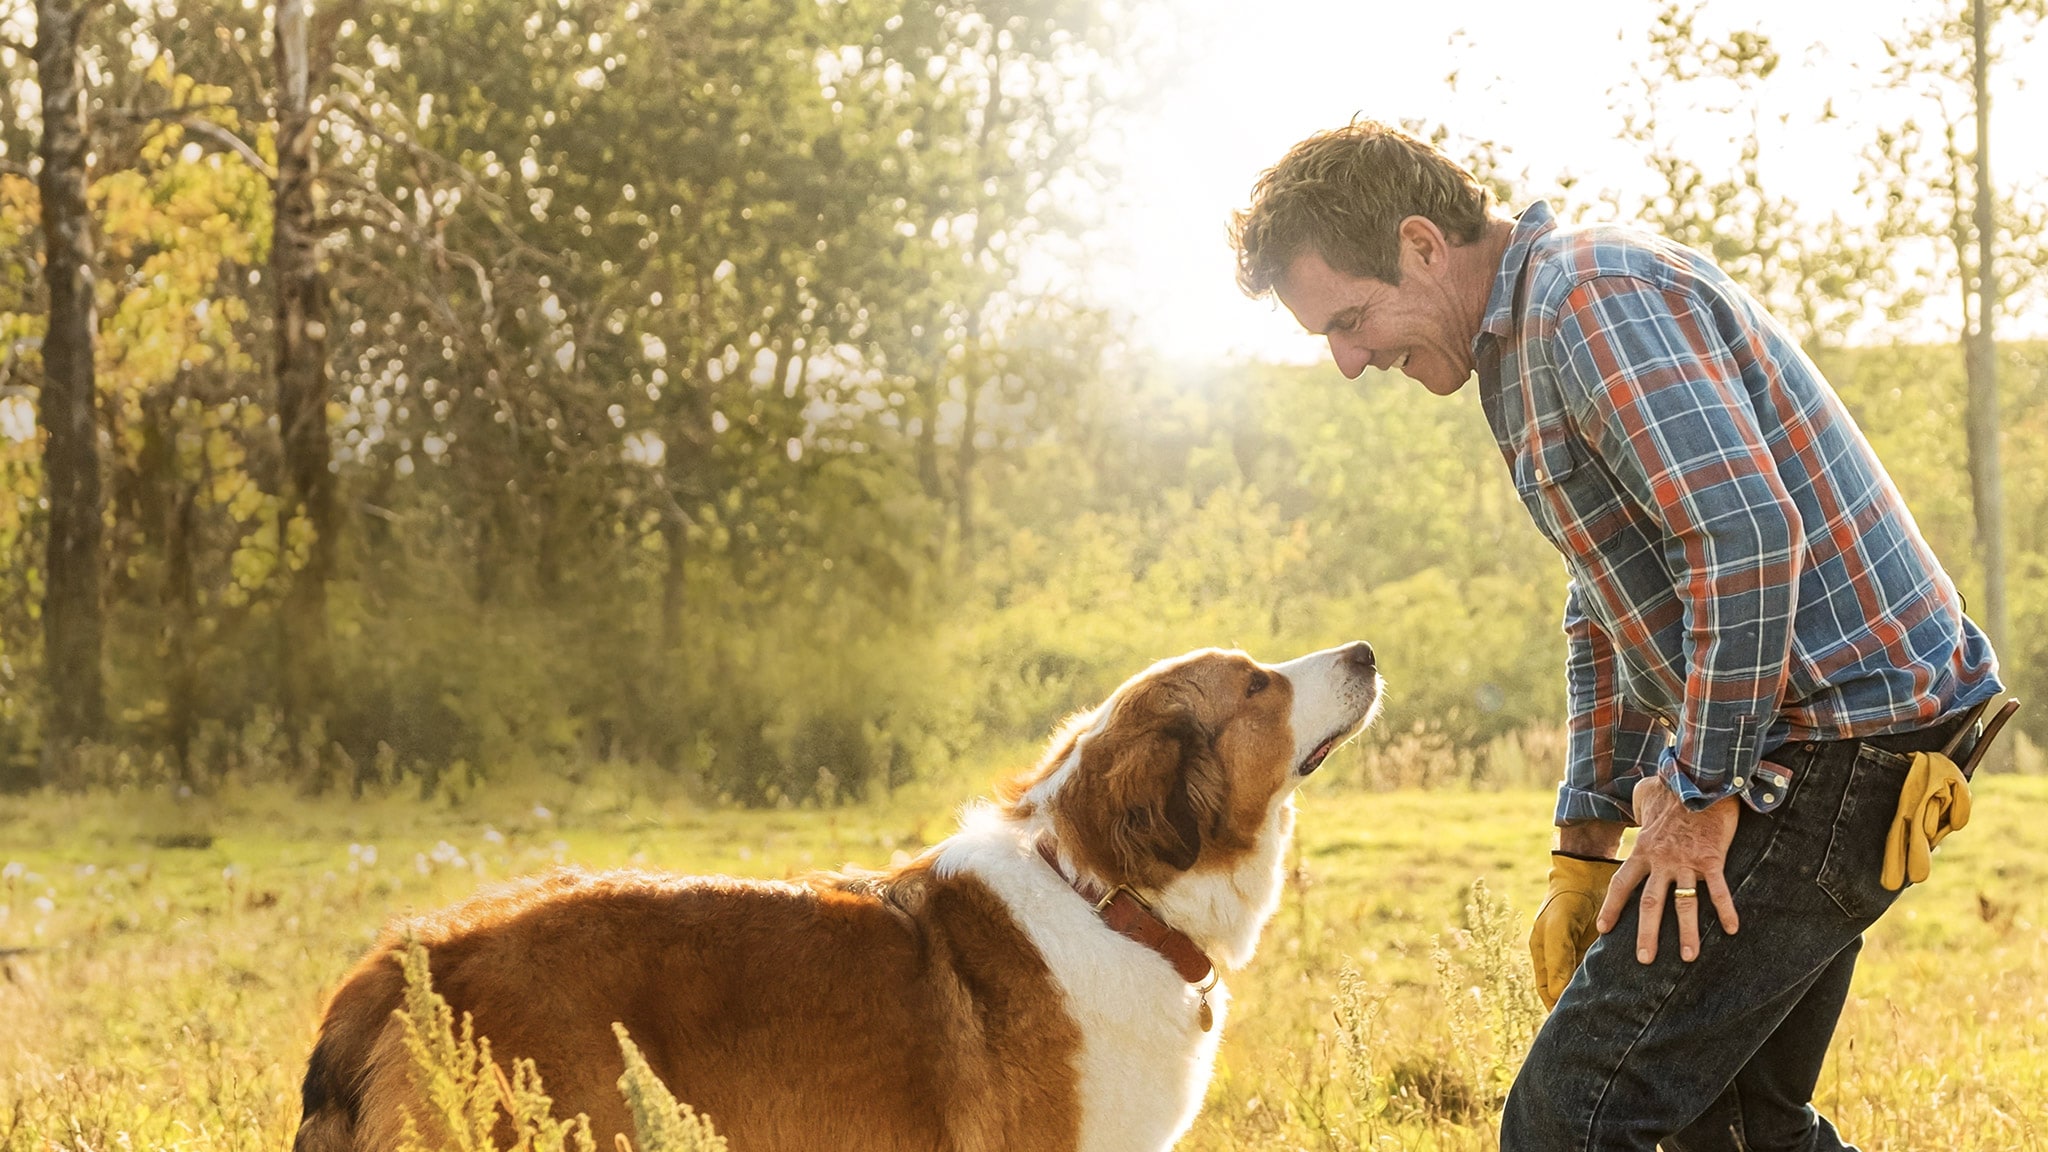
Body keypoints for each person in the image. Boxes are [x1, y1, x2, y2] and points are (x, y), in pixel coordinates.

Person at [1229, 119, 2003, 1151]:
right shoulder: (1516, 349)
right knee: (1732, 1128)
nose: (1347, 361)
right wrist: (1583, 841)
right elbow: (1606, 597)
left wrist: (1691, 799)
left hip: (1836, 743)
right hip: (1823, 737)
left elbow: (1739, 542)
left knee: (1570, 1121)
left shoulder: (1584, 301)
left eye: (1350, 320)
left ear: (1421, 244)